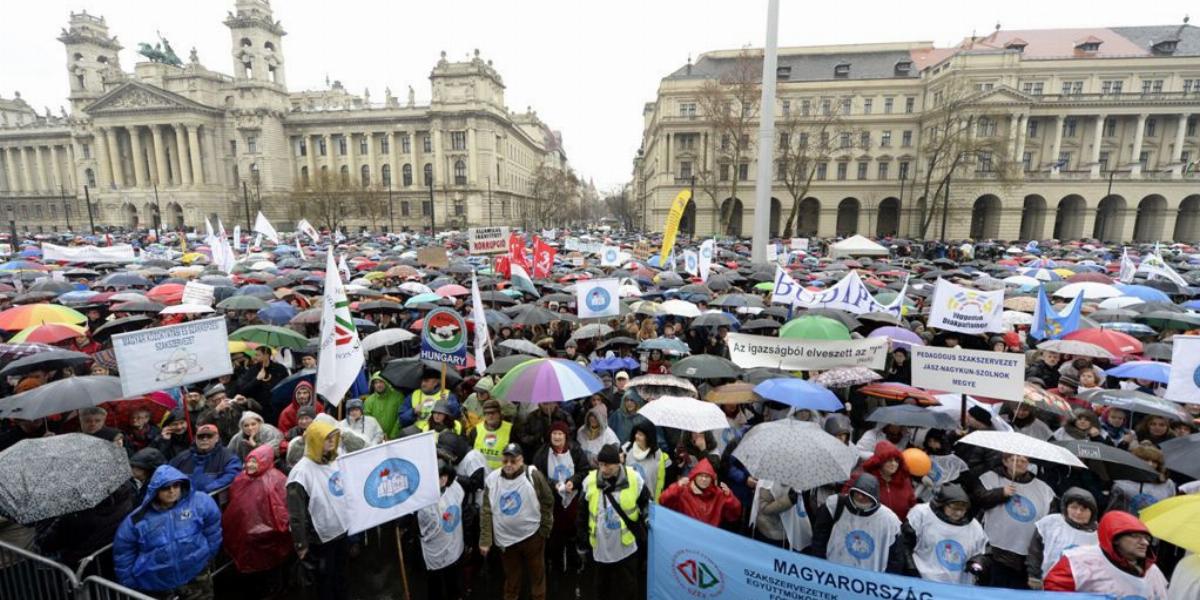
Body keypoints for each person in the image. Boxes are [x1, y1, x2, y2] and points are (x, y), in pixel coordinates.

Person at [113, 465, 222, 599]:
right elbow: (124, 552)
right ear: (155, 490)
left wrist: (207, 555)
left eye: (176, 486)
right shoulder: (137, 519)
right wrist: (130, 582)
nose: (172, 491)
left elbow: (213, 528)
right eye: (166, 487)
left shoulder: (200, 502)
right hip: (158, 584)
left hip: (195, 573)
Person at [967, 452, 1056, 589]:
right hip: (996, 552)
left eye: (1024, 461)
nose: (1020, 463)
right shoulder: (990, 478)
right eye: (1015, 460)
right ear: (1005, 461)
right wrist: (1000, 493)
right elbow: (978, 498)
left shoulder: (1043, 488)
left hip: (1027, 556)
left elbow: (1050, 519)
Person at [480, 443, 555, 600]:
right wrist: (485, 540)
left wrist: (544, 530)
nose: (509, 465)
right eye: (505, 461)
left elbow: (548, 500)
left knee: (537, 576)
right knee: (512, 578)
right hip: (506, 541)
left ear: (521, 460)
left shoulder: (533, 475)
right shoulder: (492, 480)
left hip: (532, 537)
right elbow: (486, 511)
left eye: (513, 461)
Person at [286, 421, 349, 600]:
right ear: (315, 440)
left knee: (341, 578)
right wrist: (301, 544)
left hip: (341, 531)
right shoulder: (301, 473)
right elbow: (296, 514)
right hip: (320, 538)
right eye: (326, 438)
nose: (331, 442)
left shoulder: (334, 461)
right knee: (324, 583)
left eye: (333, 438)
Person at [578, 444, 649, 597]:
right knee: (601, 589)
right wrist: (583, 539)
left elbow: (646, 504)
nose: (604, 469)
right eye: (601, 465)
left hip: (626, 548)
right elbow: (582, 514)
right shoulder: (590, 481)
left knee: (628, 589)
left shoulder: (634, 479)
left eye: (608, 465)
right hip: (600, 548)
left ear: (618, 464)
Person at [1043, 511, 1168, 597]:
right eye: (1136, 536)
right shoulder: (1079, 560)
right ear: (1115, 539)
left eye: (1147, 538)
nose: (1145, 542)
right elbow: (1055, 593)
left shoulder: (1153, 572)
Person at [811, 473, 907, 574]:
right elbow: (819, 538)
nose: (860, 497)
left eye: (865, 495)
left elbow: (895, 558)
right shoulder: (835, 504)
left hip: (868, 581)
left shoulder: (889, 521)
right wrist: (819, 566)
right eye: (858, 492)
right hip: (832, 574)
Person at [222, 445, 291, 577]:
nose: (251, 465)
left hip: (267, 533)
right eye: (249, 461)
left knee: (269, 563)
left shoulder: (276, 479)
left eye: (255, 461)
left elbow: (281, 508)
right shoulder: (241, 479)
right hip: (246, 529)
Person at [533, 420, 589, 574]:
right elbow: (536, 475)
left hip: (572, 500)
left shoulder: (576, 450)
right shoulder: (542, 453)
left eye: (560, 434)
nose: (557, 437)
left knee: (572, 530)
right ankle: (554, 564)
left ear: (566, 436)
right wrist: (553, 485)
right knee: (554, 533)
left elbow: (584, 470)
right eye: (554, 433)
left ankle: (573, 562)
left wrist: (573, 481)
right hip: (551, 501)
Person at [902, 484, 988, 584]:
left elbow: (985, 552)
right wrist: (911, 570)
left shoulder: (974, 527)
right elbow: (904, 544)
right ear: (942, 504)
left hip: (956, 587)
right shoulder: (922, 514)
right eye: (954, 508)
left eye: (963, 509)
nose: (958, 513)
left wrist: (977, 562)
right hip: (923, 581)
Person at [1026, 487, 1098, 589]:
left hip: (1084, 589)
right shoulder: (1051, 523)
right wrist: (1034, 576)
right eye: (1074, 507)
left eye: (1084, 509)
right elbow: (1035, 551)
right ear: (1066, 507)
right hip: (1049, 584)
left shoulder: (1098, 534)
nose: (1078, 512)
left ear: (1092, 512)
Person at [417, 460, 467, 600]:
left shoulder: (454, 487)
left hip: (454, 550)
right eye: (438, 476)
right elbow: (428, 530)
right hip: (436, 557)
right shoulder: (424, 503)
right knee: (435, 588)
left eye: (444, 475)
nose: (443, 479)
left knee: (454, 585)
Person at [658, 458, 741, 527]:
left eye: (707, 476)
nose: (704, 479)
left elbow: (733, 515)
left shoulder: (718, 494)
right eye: (701, 475)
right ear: (695, 476)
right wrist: (677, 487)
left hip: (709, 538)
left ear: (712, 479)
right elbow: (663, 501)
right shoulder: (683, 490)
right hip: (685, 535)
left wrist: (730, 497)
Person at [168, 423, 243, 493]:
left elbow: (233, 475)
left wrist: (208, 489)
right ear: (195, 438)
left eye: (209, 436)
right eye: (201, 436)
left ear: (217, 438)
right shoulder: (183, 456)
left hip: (212, 499)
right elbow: (168, 473)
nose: (204, 439)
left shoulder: (228, 456)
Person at [1108, 445, 1176, 515]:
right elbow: (1113, 510)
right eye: (1146, 460)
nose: (1150, 464)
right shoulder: (1121, 483)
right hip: (1129, 523)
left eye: (1154, 461)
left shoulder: (1167, 483)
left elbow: (1172, 506)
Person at [858, 440, 916, 522]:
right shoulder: (865, 478)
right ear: (879, 461)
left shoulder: (905, 481)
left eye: (896, 460)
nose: (894, 464)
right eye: (889, 460)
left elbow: (912, 506)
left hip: (898, 529)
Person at [621, 419, 670, 503]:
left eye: (640, 435)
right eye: (636, 433)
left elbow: (663, 482)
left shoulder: (659, 456)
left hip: (649, 501)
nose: (637, 436)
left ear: (648, 437)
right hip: (629, 499)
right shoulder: (626, 449)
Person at [467, 399, 514, 471]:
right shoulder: (475, 431)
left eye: (493, 413)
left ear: (499, 413)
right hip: (480, 475)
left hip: (503, 475)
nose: (490, 416)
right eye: (487, 413)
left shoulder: (511, 430)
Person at [363, 374, 404, 439]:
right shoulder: (368, 401)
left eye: (381, 381)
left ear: (386, 382)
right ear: (373, 385)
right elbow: (368, 421)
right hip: (377, 439)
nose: (378, 385)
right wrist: (379, 436)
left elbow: (401, 417)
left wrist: (393, 435)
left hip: (396, 438)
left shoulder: (398, 397)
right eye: (376, 383)